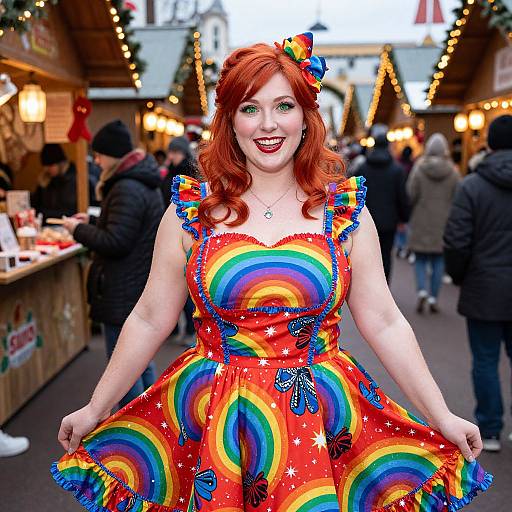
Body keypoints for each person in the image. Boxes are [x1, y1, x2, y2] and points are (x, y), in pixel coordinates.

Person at [53, 33, 491, 512]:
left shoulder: (344, 213)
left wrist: (441, 414)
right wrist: (97, 406)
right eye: (249, 108)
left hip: (318, 415)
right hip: (214, 410)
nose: (268, 125)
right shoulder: (190, 212)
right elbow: (149, 317)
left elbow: (384, 320)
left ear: (306, 115)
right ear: (230, 121)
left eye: (284, 105)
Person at [62, 120, 164, 408]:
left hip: (123, 290)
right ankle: (152, 421)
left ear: (112, 156)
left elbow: (116, 241)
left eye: (99, 155)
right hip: (136, 284)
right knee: (140, 363)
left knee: (124, 369)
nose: (96, 160)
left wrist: (77, 231)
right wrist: (92, 222)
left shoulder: (126, 187)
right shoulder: (139, 182)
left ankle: (135, 430)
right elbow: (125, 230)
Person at [444, 114, 512, 453]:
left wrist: (460, 276)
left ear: (491, 144)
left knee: (485, 360)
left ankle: (492, 427)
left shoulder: (472, 185)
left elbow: (456, 240)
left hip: (485, 286)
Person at [407, 133, 459, 313]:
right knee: (438, 260)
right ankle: (433, 297)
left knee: (420, 259)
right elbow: (457, 197)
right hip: (444, 222)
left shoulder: (419, 168)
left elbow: (411, 193)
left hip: (421, 219)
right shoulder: (453, 171)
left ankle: (421, 290)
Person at [352, 133, 409, 281]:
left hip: (365, 220)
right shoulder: (397, 170)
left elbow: (355, 193)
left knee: (367, 256)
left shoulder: (363, 168)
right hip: (389, 221)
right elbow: (401, 196)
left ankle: (368, 287)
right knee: (385, 256)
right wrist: (404, 218)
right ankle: (384, 288)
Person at [32, 144, 95, 221]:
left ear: (60, 163)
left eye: (51, 165)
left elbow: (79, 210)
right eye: (46, 166)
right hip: (48, 225)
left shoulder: (79, 180)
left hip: (71, 224)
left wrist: (45, 213)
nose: (47, 169)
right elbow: (36, 206)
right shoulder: (45, 180)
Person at [160, 136, 196, 205]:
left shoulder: (190, 174)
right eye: (170, 152)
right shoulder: (171, 170)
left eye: (175, 152)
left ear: (184, 154)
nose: (170, 156)